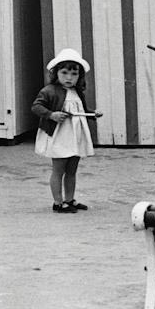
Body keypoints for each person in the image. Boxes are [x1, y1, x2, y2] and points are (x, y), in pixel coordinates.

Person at [31, 48, 102, 213]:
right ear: (56, 74)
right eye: (64, 73)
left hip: (75, 136)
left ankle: (70, 200)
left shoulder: (77, 92)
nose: (69, 78)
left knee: (72, 169)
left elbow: (82, 109)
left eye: (74, 74)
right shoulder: (49, 91)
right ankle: (57, 202)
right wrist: (51, 114)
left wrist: (93, 113)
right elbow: (36, 106)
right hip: (59, 136)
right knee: (59, 169)